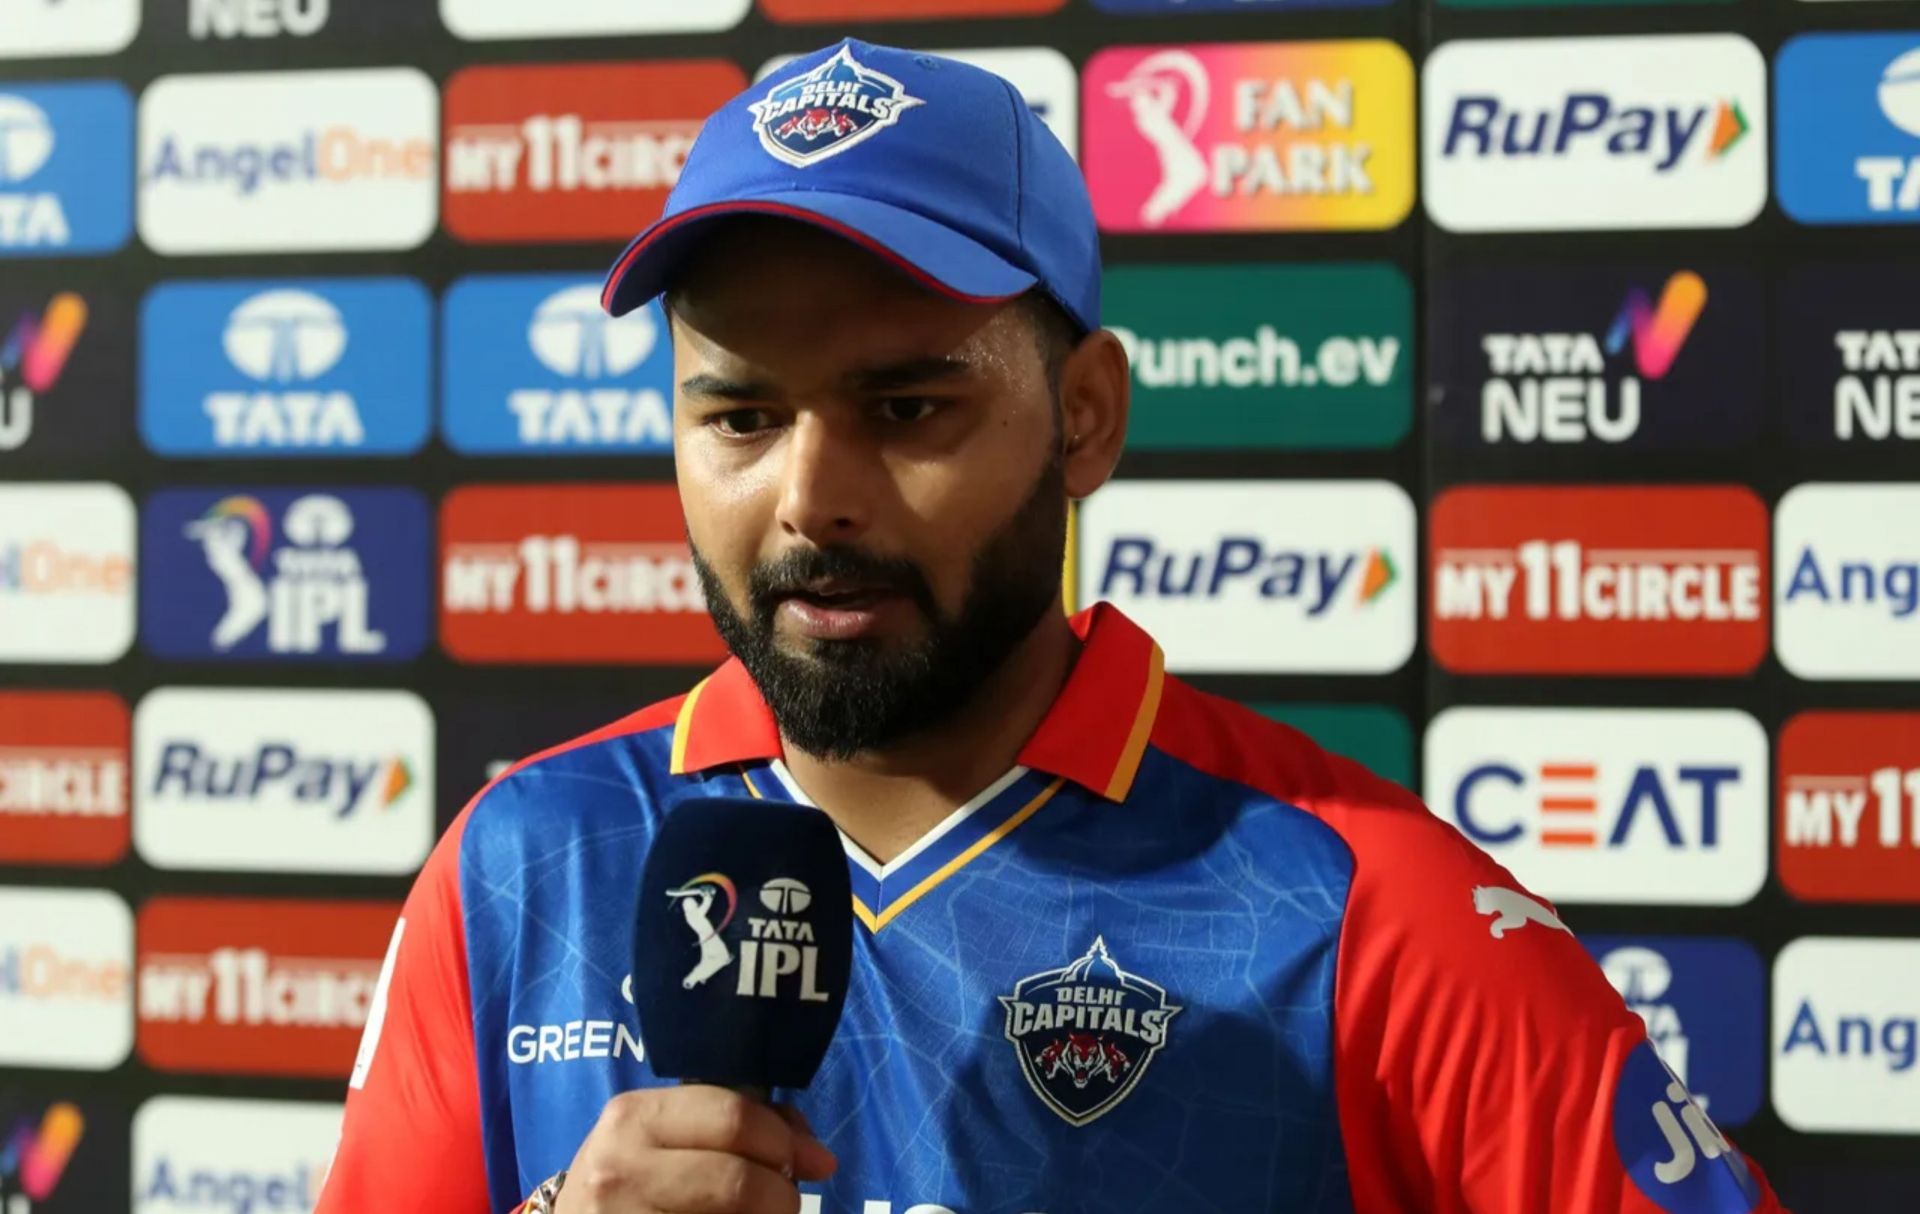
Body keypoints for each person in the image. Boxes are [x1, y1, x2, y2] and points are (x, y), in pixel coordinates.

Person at [315, 39, 1788, 1214]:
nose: (811, 498)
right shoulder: (521, 865)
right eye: (743, 415)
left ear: (1084, 417)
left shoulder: (1366, 909)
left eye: (907, 408)